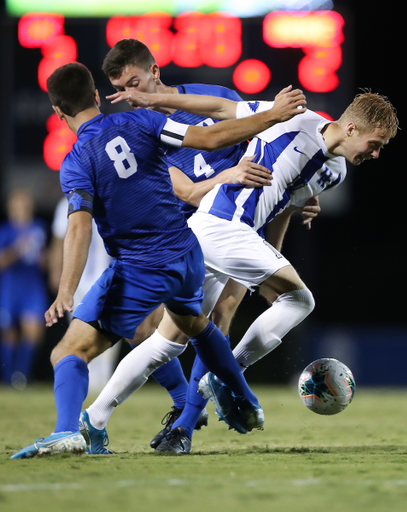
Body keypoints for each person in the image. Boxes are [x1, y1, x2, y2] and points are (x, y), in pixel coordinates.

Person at [10, 62, 307, 459]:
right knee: (198, 327)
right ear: (97, 97)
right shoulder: (142, 121)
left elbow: (79, 229)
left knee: (67, 352)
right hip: (188, 253)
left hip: (141, 265)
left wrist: (65, 292)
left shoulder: (77, 160)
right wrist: (271, 115)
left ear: (59, 113)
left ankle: (69, 430)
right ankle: (246, 399)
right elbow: (210, 137)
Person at [82, 86, 398, 454]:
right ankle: (228, 372)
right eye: (375, 143)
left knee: (167, 342)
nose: (375, 154)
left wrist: (270, 263)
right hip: (221, 224)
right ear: (352, 129)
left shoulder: (336, 172)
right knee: (301, 300)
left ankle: (95, 417)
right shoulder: (292, 116)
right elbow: (221, 106)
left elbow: (283, 208)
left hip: (220, 236)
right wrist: (158, 99)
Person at [83, 39, 320, 450]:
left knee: (212, 319)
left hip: (241, 223)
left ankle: (178, 425)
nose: (132, 98)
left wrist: (301, 187)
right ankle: (182, 414)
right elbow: (189, 194)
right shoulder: (142, 135)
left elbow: (267, 142)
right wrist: (225, 178)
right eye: (122, 92)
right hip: (192, 235)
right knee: (175, 334)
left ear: (155, 71)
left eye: (135, 84)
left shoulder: (214, 98)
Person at [49, 196, 120, 394]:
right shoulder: (67, 203)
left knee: (110, 331)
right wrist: (58, 274)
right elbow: (59, 240)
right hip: (79, 281)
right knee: (79, 333)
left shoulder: (113, 198)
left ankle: (104, 382)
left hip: (109, 276)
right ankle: (85, 381)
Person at [0, 188, 48, 388]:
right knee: (9, 333)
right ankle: (8, 377)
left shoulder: (39, 228)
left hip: (33, 285)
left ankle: (21, 376)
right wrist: (17, 249)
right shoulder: (5, 231)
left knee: (33, 331)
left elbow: (46, 258)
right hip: (10, 286)